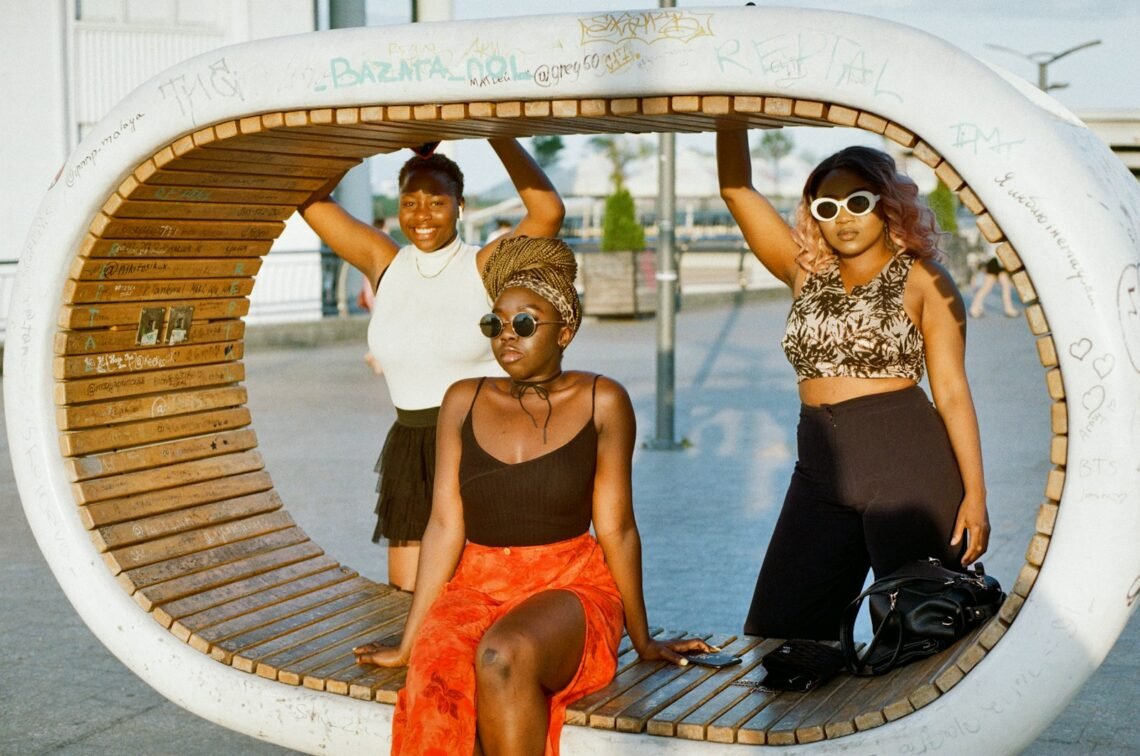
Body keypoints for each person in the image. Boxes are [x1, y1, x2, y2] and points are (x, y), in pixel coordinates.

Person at [354, 237, 712, 755]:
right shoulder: (462, 399)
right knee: (439, 676)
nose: (506, 336)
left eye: (524, 323)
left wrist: (643, 637)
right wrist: (410, 642)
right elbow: (443, 526)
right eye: (494, 324)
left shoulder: (601, 399)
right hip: (475, 586)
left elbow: (617, 528)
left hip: (570, 586)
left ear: (564, 331)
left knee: (503, 654)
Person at [717, 127, 991, 640]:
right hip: (820, 467)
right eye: (827, 207)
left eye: (857, 201)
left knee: (917, 638)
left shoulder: (924, 279)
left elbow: (951, 391)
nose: (842, 217)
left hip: (906, 466)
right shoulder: (802, 272)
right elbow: (736, 189)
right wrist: (724, 111)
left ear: (887, 204)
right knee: (781, 634)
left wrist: (975, 495)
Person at [300, 139, 564, 592]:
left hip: (481, 448)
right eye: (409, 202)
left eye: (437, 201)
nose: (421, 215)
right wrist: (372, 140)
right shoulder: (383, 261)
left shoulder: (484, 266)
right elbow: (310, 200)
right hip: (412, 449)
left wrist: (493, 130)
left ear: (460, 206)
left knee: (483, 594)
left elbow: (548, 213)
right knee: (406, 595)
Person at [968, 252, 1020, 318]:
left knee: (1005, 287)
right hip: (993, 267)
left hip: (999, 267)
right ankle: (974, 309)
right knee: (987, 289)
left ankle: (1009, 309)